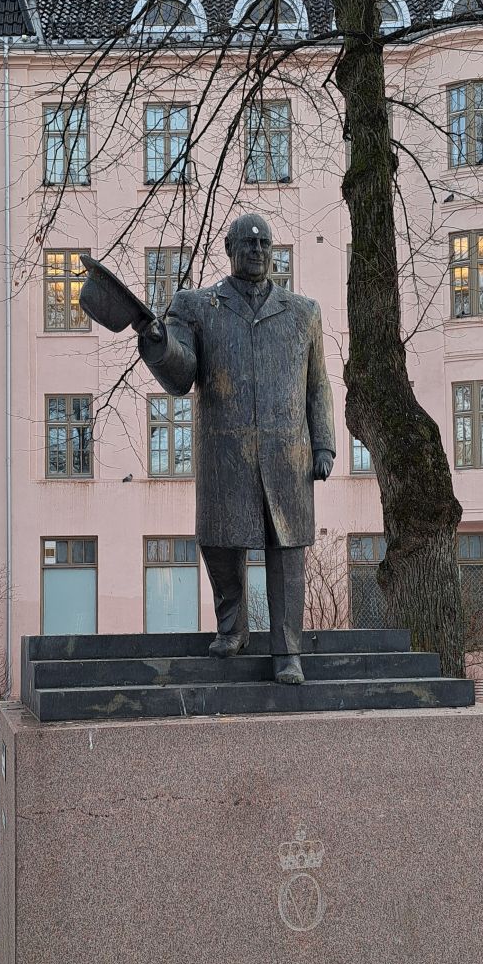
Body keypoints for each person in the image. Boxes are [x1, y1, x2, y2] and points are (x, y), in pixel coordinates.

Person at [138, 213, 335, 684]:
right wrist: (159, 344)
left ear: (274, 251)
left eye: (264, 243)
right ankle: (233, 629)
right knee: (220, 541)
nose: (256, 250)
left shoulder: (303, 312)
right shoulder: (196, 306)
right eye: (247, 243)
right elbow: (181, 375)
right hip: (223, 450)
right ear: (228, 248)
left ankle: (287, 652)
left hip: (287, 455)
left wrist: (324, 444)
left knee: (287, 550)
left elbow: (318, 386)